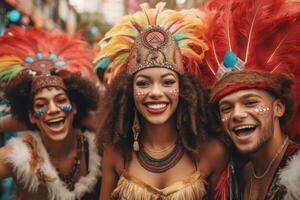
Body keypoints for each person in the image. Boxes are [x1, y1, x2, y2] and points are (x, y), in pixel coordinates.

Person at [95, 3, 228, 200]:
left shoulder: (213, 152)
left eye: (167, 82)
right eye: (143, 83)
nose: (156, 92)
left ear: (184, 89)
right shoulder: (115, 153)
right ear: (128, 92)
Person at [204, 0, 300, 199]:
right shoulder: (237, 175)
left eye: (251, 102)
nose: (237, 114)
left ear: (278, 108)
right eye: (226, 108)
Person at [0, 27, 101, 200]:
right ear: (31, 116)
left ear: (75, 107)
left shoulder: (96, 148)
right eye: (41, 104)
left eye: (61, 100)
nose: (53, 109)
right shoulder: (18, 156)